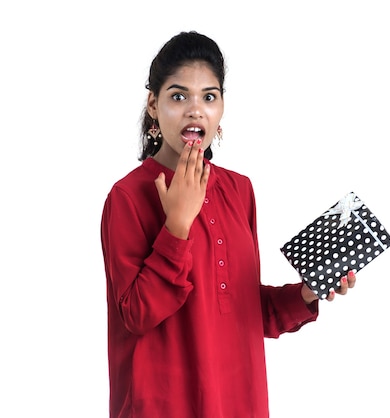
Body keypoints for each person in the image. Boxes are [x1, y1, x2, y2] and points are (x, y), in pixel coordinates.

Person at [100, 30, 356, 418]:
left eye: (209, 96)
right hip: (163, 406)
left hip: (239, 402)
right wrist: (178, 226)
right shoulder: (128, 197)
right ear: (153, 105)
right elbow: (135, 315)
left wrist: (306, 293)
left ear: (221, 109)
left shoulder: (240, 190)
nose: (195, 109)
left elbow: (243, 311)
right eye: (178, 96)